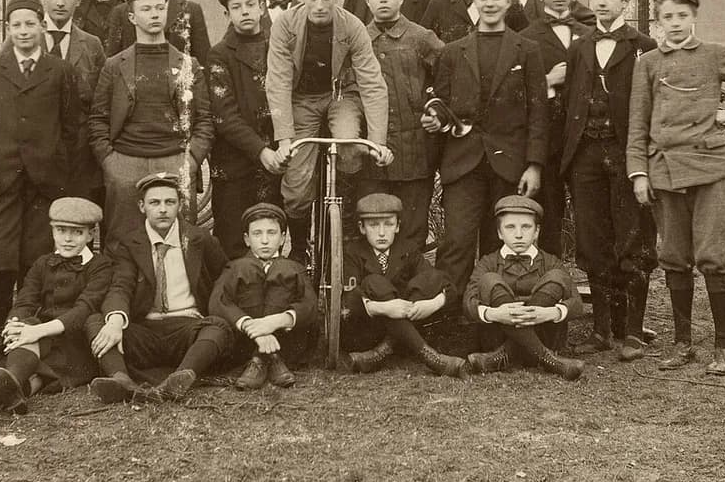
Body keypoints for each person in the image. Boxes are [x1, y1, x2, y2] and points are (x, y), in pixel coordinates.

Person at [627, 0, 725, 375]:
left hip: (710, 169)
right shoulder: (647, 63)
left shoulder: (714, 55)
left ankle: (724, 345)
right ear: (657, 22)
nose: (675, 24)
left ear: (694, 18)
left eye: (682, 16)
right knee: (674, 258)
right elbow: (637, 122)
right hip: (664, 172)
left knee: (712, 258)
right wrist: (639, 172)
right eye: (667, 17)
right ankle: (681, 343)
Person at [425, 0, 548, 303]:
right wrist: (437, 119)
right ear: (474, 2)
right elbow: (442, 103)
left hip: (510, 164)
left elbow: (539, 112)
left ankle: (496, 318)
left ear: (508, 2)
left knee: (502, 245)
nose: (490, 3)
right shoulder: (453, 51)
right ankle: (447, 318)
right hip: (463, 163)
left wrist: (534, 165)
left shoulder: (527, 49)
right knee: (457, 243)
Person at [265, 0, 393, 267]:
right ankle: (298, 247)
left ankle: (342, 225)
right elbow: (278, 81)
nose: (319, 5)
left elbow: (373, 84)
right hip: (301, 100)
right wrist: (284, 139)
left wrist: (377, 141)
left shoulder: (352, 26)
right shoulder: (285, 25)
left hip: (340, 96)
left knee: (349, 146)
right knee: (296, 184)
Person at [562, 0, 659, 359]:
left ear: (625, 2)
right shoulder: (580, 45)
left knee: (633, 236)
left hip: (626, 154)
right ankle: (602, 331)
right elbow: (570, 100)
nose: (602, 2)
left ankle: (632, 331)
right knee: (592, 239)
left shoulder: (644, 45)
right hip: (585, 155)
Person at [0, 197, 114, 415]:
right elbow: (25, 300)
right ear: (52, 231)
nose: (68, 239)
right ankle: (8, 391)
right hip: (39, 341)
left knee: (34, 354)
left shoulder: (100, 266)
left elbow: (83, 310)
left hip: (75, 342)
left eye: (77, 232)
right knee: (29, 341)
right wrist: (14, 325)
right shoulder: (43, 263)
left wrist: (33, 331)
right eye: (61, 231)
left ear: (91, 234)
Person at [0, 0, 78, 325]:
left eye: (30, 24)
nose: (23, 31)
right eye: (16, 25)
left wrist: (59, 165)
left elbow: (71, 124)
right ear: (8, 28)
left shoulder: (60, 70)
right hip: (1, 176)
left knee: (37, 254)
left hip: (45, 179)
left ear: (42, 26)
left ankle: (30, 320)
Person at [86, 173, 233, 403]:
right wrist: (115, 320)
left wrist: (216, 307)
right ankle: (122, 381)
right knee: (96, 321)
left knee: (218, 327)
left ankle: (180, 379)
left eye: (169, 202)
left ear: (180, 205)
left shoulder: (199, 239)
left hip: (188, 327)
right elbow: (120, 285)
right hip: (146, 329)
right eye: (155, 202)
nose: (163, 209)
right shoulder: (130, 243)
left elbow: (225, 274)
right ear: (142, 206)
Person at [89, 0, 214, 238]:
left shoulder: (188, 63)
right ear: (132, 17)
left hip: (174, 160)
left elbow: (204, 120)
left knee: (178, 241)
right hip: (125, 162)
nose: (155, 14)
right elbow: (98, 119)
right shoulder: (114, 65)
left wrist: (190, 162)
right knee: (122, 241)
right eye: (146, 9)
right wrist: (110, 163)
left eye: (160, 8)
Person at [357, 0, 445, 256]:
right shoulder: (357, 41)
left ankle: (411, 290)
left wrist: (436, 110)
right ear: (367, 1)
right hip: (371, 154)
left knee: (412, 228)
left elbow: (449, 77)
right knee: (373, 223)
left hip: (414, 152)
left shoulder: (421, 37)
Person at [341, 194, 465, 378]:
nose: (382, 232)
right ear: (362, 228)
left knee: (430, 276)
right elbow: (349, 299)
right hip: (368, 330)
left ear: (397, 226)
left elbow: (439, 281)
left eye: (388, 224)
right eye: (373, 225)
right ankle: (432, 358)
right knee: (374, 282)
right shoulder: (352, 252)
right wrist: (384, 308)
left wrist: (433, 304)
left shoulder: (407, 249)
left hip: (406, 320)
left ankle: (382, 352)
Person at [518, 0, 593, 255]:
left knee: (587, 211)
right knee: (549, 210)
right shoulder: (526, 38)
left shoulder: (589, 35)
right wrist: (547, 81)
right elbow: (518, 92)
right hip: (546, 137)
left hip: (582, 137)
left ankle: (590, 280)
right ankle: (551, 275)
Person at [463, 196, 585, 380]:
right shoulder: (488, 262)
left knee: (557, 277)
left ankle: (499, 358)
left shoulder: (551, 261)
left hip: (544, 334)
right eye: (510, 227)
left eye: (526, 227)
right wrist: (495, 314)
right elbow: (468, 303)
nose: (518, 234)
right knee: (489, 280)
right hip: (497, 336)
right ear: (499, 233)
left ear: (536, 232)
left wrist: (549, 313)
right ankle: (549, 360)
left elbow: (577, 304)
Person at [207, 0, 285, 259]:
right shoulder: (219, 54)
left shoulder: (278, 45)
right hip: (234, 163)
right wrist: (260, 150)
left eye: (251, 4)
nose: (245, 12)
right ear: (227, 15)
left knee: (268, 234)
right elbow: (224, 115)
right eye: (236, 7)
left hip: (275, 160)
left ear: (262, 7)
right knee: (233, 236)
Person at [209, 203, 316, 389]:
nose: (265, 240)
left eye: (272, 233)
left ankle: (261, 359)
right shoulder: (235, 267)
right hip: (245, 343)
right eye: (257, 234)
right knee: (246, 267)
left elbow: (310, 304)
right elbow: (218, 302)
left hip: (285, 343)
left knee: (283, 268)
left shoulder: (294, 268)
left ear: (283, 238)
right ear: (247, 239)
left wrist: (277, 320)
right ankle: (266, 357)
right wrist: (250, 326)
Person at [39, 0, 107, 203]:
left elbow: (100, 100)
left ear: (78, 0)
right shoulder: (25, 39)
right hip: (37, 149)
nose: (60, 2)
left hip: (78, 152)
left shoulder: (91, 45)